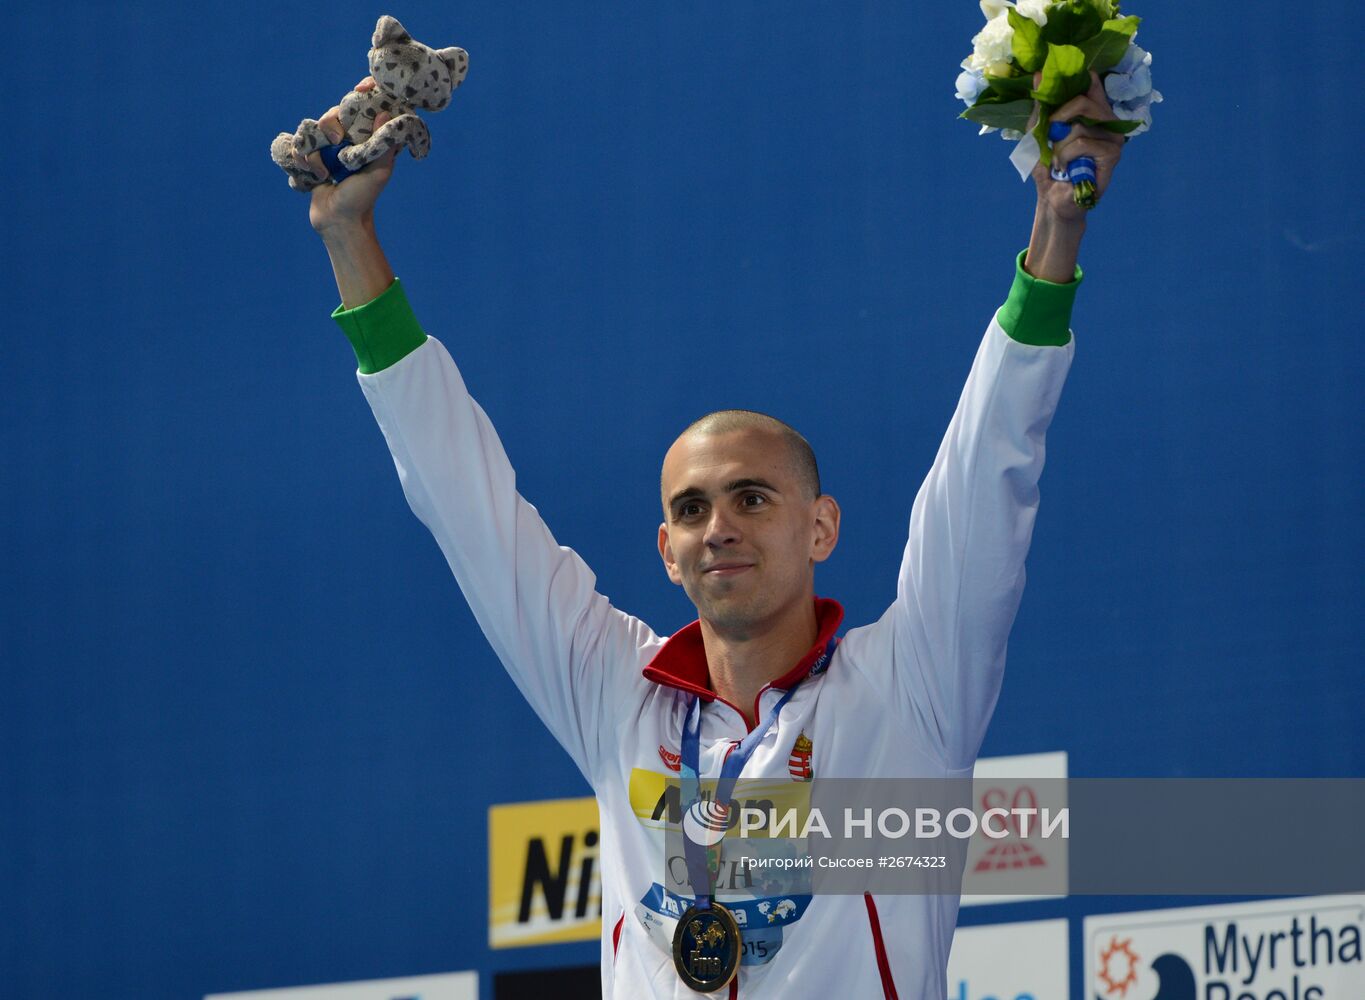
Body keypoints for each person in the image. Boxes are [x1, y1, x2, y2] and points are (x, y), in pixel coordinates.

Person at [294, 70, 1124, 999]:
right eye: (690, 509)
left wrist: (1057, 231)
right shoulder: (615, 697)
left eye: (752, 499)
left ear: (821, 527)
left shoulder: (909, 694)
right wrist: (349, 238)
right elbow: (465, 504)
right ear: (665, 550)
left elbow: (985, 474)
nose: (717, 526)